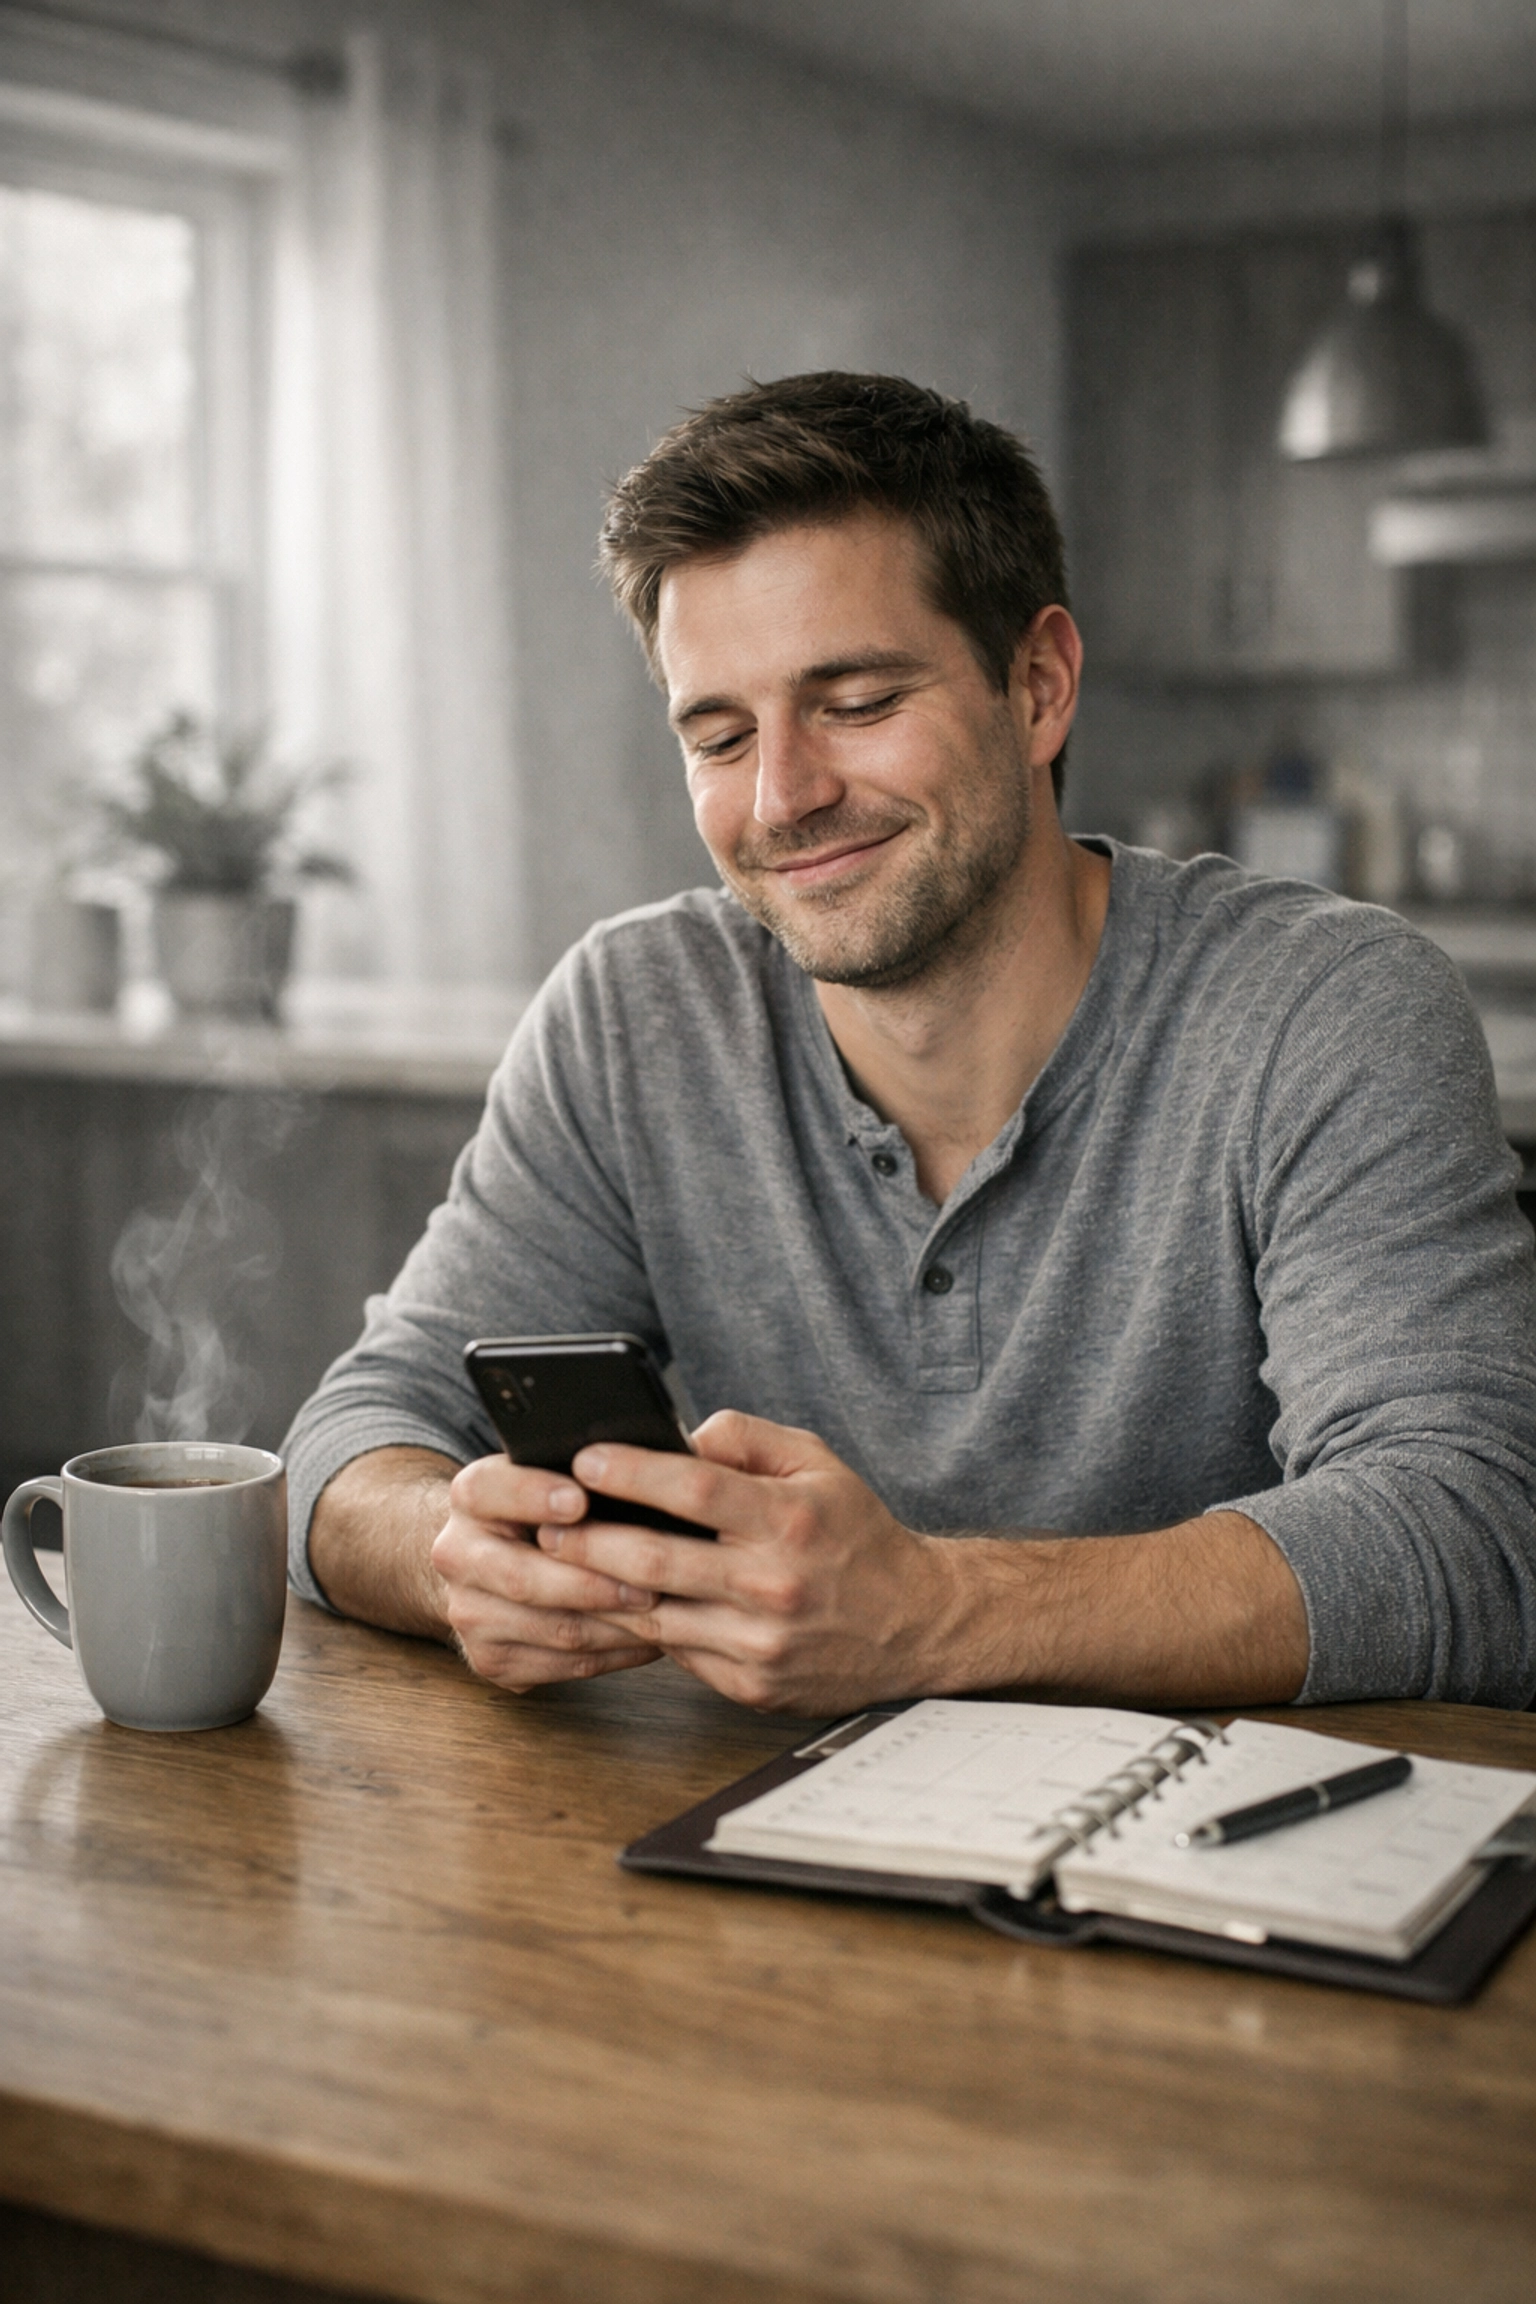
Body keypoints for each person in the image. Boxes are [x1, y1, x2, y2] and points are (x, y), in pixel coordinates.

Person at [284, 371, 1536, 1714]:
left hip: (1219, 1883)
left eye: (860, 701)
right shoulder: (634, 1013)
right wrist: (454, 1553)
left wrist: (934, 1616)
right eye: (719, 734)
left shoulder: (1325, 1008)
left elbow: (1472, 1532)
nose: (785, 797)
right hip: (742, 1862)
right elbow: (354, 1439)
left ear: (1040, 684)